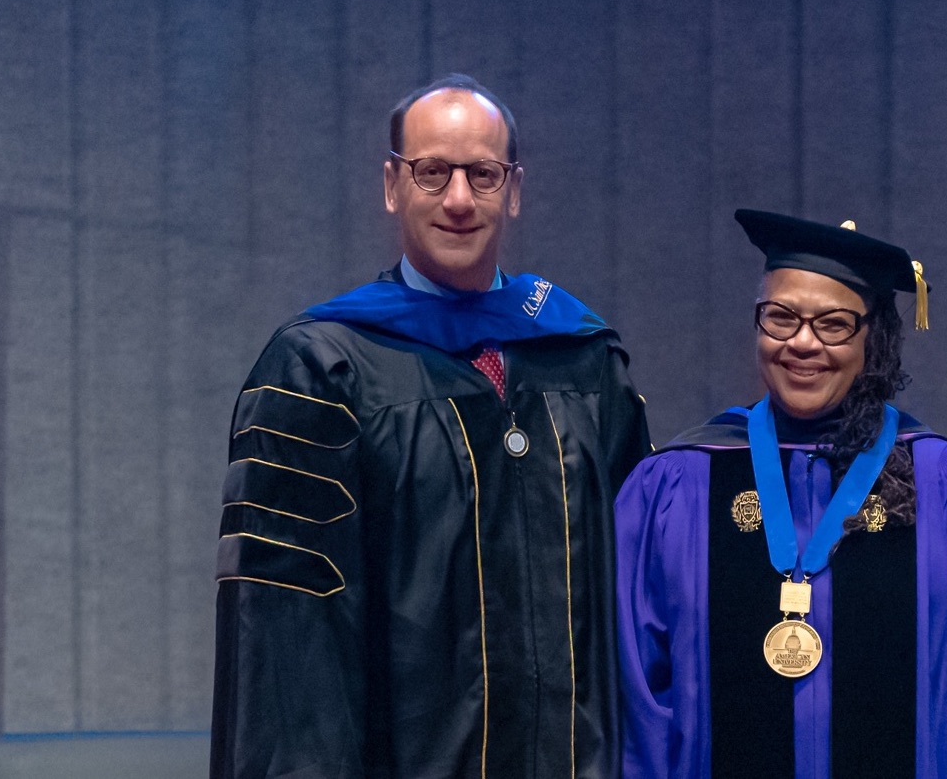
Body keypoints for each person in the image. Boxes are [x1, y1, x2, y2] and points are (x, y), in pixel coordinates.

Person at [211, 74, 650, 779]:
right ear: (392, 185)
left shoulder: (586, 361)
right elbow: (286, 644)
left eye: (480, 174)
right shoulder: (322, 369)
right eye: (431, 172)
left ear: (512, 189)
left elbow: (639, 602)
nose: (456, 199)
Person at [615, 209, 947, 779]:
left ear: (873, 338)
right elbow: (640, 710)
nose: (802, 343)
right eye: (780, 317)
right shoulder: (677, 486)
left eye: (833, 324)